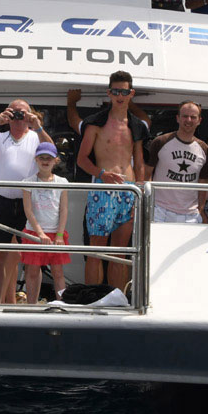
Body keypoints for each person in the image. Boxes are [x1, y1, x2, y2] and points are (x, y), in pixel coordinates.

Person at [0, 100, 54, 304]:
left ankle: (31, 305)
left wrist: (38, 126)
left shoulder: (36, 137)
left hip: (29, 205)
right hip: (3, 204)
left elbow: (51, 150)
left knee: (32, 260)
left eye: (22, 113)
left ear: (30, 115)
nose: (19, 118)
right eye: (14, 113)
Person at [77, 71, 148, 289]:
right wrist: (101, 174)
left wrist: (139, 194)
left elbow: (140, 163)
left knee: (120, 251)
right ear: (109, 93)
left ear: (131, 93)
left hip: (129, 191)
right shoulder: (95, 123)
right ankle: (92, 299)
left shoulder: (137, 126)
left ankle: (117, 299)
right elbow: (81, 159)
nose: (119, 95)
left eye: (124, 91)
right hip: (102, 190)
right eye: (116, 91)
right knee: (95, 250)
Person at [19, 142, 70, 303]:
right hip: (34, 233)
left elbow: (64, 210)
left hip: (56, 233)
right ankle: (31, 306)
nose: (45, 161)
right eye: (42, 157)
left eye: (49, 158)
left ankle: (62, 305)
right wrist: (40, 233)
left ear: (56, 160)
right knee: (32, 271)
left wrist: (60, 235)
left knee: (58, 272)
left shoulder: (62, 182)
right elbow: (28, 210)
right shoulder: (27, 182)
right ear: (36, 159)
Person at [147, 101, 208, 223]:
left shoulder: (204, 148)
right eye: (185, 116)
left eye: (193, 117)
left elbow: (204, 181)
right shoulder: (160, 142)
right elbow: (147, 174)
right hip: (159, 211)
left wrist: (201, 208)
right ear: (177, 118)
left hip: (190, 215)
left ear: (199, 120)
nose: (188, 120)